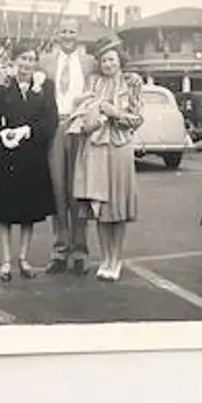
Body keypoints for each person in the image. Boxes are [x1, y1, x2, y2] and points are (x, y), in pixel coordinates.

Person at [66, 38, 144, 281]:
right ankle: (105, 258)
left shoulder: (131, 82)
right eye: (103, 61)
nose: (107, 64)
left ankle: (116, 259)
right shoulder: (93, 83)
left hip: (119, 148)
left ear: (120, 60)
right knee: (99, 206)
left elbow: (138, 119)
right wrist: (86, 115)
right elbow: (79, 114)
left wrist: (115, 113)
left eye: (111, 59)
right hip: (96, 147)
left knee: (117, 208)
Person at [0, 41, 59, 282]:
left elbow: (51, 120)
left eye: (31, 59)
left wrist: (29, 131)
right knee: (4, 211)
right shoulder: (4, 86)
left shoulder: (45, 86)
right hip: (8, 156)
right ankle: (6, 261)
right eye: (23, 58)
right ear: (15, 61)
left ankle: (24, 258)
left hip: (33, 155)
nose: (27, 63)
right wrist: (2, 136)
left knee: (29, 211)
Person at [38, 17, 97, 275]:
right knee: (58, 190)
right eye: (63, 31)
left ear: (78, 34)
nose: (68, 36)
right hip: (55, 128)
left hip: (81, 128)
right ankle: (60, 250)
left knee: (79, 192)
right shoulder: (45, 62)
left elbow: (115, 71)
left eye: (72, 31)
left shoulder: (89, 62)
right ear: (57, 34)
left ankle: (80, 252)